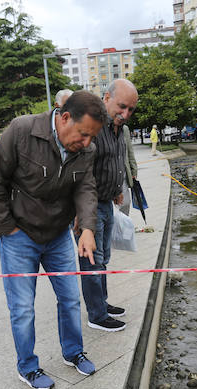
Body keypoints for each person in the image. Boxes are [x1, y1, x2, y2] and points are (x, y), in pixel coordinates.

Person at [0, 90, 105, 389]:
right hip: (19, 236)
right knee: (23, 307)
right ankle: (28, 367)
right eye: (82, 134)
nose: (87, 143)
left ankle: (73, 351)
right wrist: (7, 226)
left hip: (59, 235)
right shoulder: (22, 131)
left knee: (70, 298)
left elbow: (86, 189)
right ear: (64, 118)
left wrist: (87, 227)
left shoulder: (86, 150)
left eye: (92, 137)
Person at [77, 79, 138, 333]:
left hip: (106, 202)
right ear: (106, 98)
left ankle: (101, 303)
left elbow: (113, 162)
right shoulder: (94, 127)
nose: (125, 114)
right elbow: (81, 171)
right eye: (122, 107)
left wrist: (116, 190)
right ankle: (96, 315)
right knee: (91, 262)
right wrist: (80, 213)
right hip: (88, 208)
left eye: (131, 110)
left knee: (102, 259)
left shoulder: (117, 129)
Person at [121, 123, 137, 216]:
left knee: (125, 203)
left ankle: (123, 228)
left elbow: (129, 150)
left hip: (123, 171)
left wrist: (133, 169)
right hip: (107, 175)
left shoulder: (124, 129)